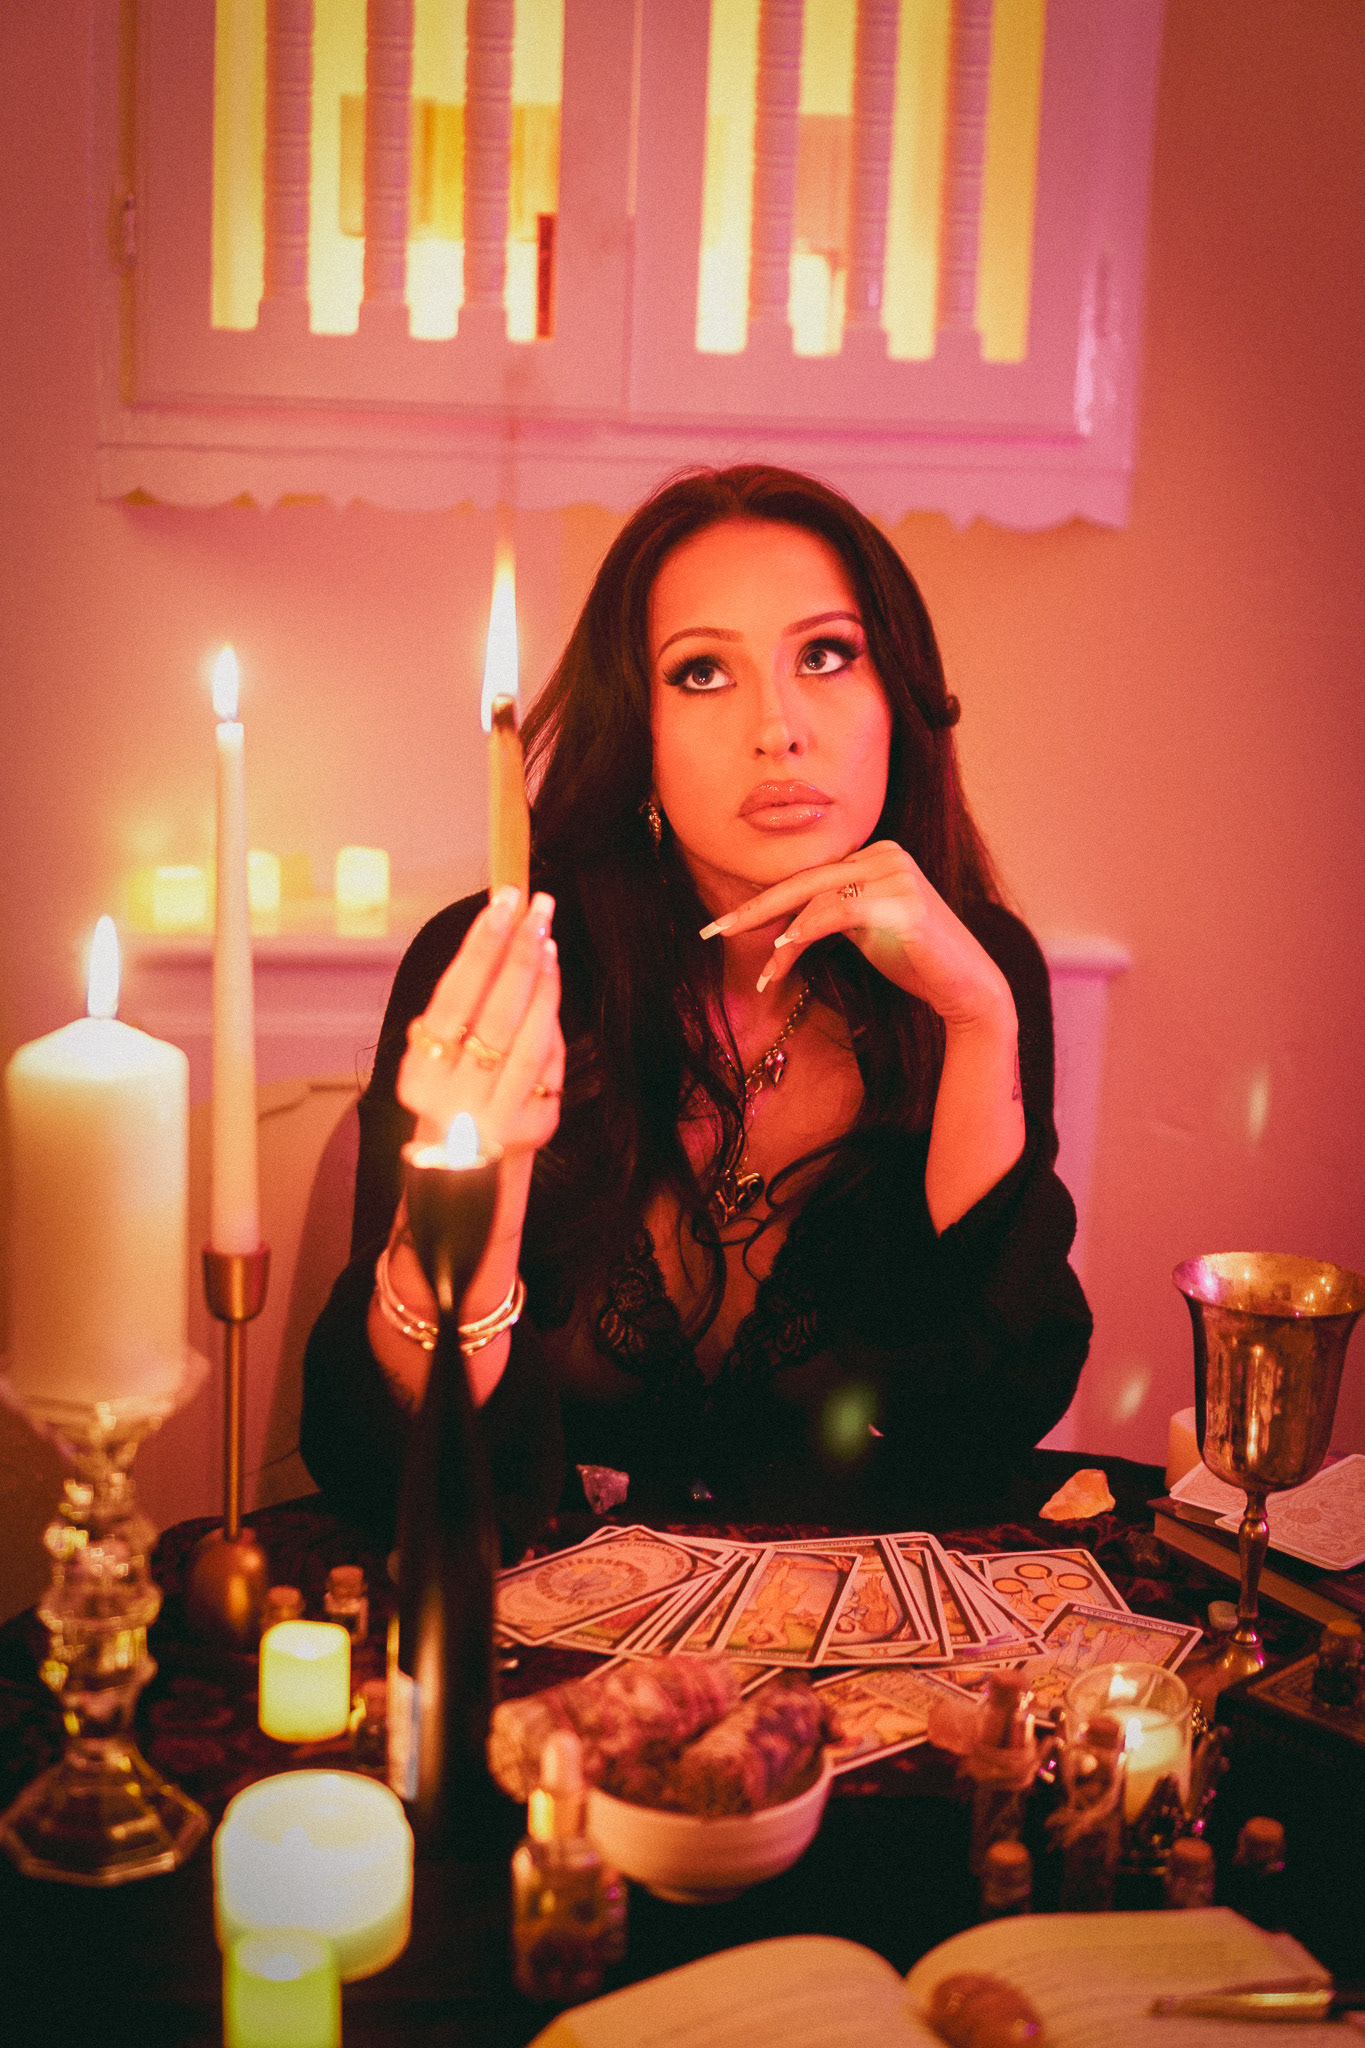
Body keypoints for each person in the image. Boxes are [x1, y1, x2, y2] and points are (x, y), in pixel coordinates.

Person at [301, 465, 1092, 1556]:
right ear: (638, 731)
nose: (778, 728)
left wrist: (978, 1024)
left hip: (865, 1646)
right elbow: (381, 1470)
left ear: (897, 700)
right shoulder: (498, 964)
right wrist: (479, 1177)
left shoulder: (977, 970)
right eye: (704, 671)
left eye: (825, 655)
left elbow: (981, 1442)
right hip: (546, 1633)